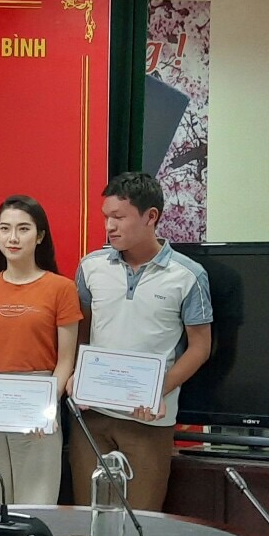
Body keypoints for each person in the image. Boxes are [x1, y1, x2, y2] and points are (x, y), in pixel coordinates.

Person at [70, 172, 213, 511]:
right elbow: (82, 333)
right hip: (93, 416)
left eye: (119, 217)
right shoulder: (91, 267)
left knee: (141, 521)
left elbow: (200, 347)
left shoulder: (188, 275)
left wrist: (159, 390)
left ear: (151, 216)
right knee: (88, 517)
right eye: (106, 217)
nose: (109, 226)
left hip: (148, 420)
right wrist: (78, 374)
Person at [0, 195, 82, 506]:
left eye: (23, 229)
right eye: (4, 228)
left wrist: (47, 407)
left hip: (37, 402)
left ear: (40, 236)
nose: (13, 238)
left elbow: (66, 360)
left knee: (35, 505)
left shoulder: (61, 288)